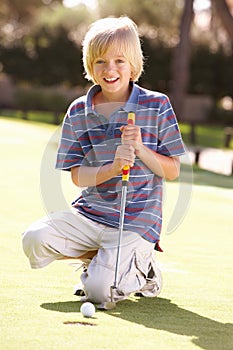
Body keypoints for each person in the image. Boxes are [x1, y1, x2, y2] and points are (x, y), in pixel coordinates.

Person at [22, 16, 186, 309]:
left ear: (133, 64)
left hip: (135, 222)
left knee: (99, 293)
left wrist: (140, 149)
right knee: (34, 239)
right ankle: (103, 260)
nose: (110, 70)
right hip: (89, 214)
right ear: (90, 66)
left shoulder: (157, 105)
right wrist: (112, 167)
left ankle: (143, 267)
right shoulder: (77, 111)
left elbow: (173, 171)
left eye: (119, 61)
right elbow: (77, 177)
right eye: (100, 62)